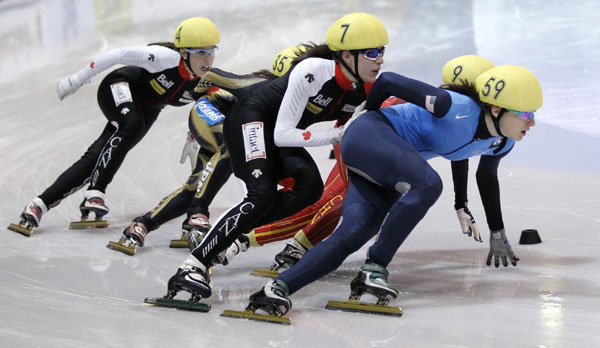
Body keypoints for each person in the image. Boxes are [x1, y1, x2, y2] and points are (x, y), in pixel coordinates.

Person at [244, 62, 543, 316]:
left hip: (390, 164)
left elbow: (487, 179)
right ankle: (374, 268)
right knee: (428, 184)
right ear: (495, 109)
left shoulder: (501, 142)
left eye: (534, 115)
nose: (531, 123)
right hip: (369, 136)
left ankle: (275, 290)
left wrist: (496, 232)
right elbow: (386, 81)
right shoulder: (450, 105)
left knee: (355, 232)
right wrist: (366, 115)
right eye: (526, 115)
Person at [164, 12, 389, 302]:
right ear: (347, 55)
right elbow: (286, 134)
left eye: (382, 51)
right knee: (261, 195)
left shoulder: (361, 89)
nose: (380, 59)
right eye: (372, 52)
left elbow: (349, 129)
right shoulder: (314, 71)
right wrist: (336, 136)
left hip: (279, 132)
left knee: (310, 190)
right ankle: (192, 266)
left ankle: (225, 237)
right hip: (251, 120)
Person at [9, 17, 221, 235]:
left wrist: (194, 136)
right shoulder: (163, 57)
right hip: (120, 85)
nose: (208, 59)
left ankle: (39, 205)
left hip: (148, 109)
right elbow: (115, 55)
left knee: (99, 155)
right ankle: (96, 191)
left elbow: (204, 109)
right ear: (184, 52)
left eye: (212, 51)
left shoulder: (205, 81)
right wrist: (77, 80)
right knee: (132, 124)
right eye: (201, 53)